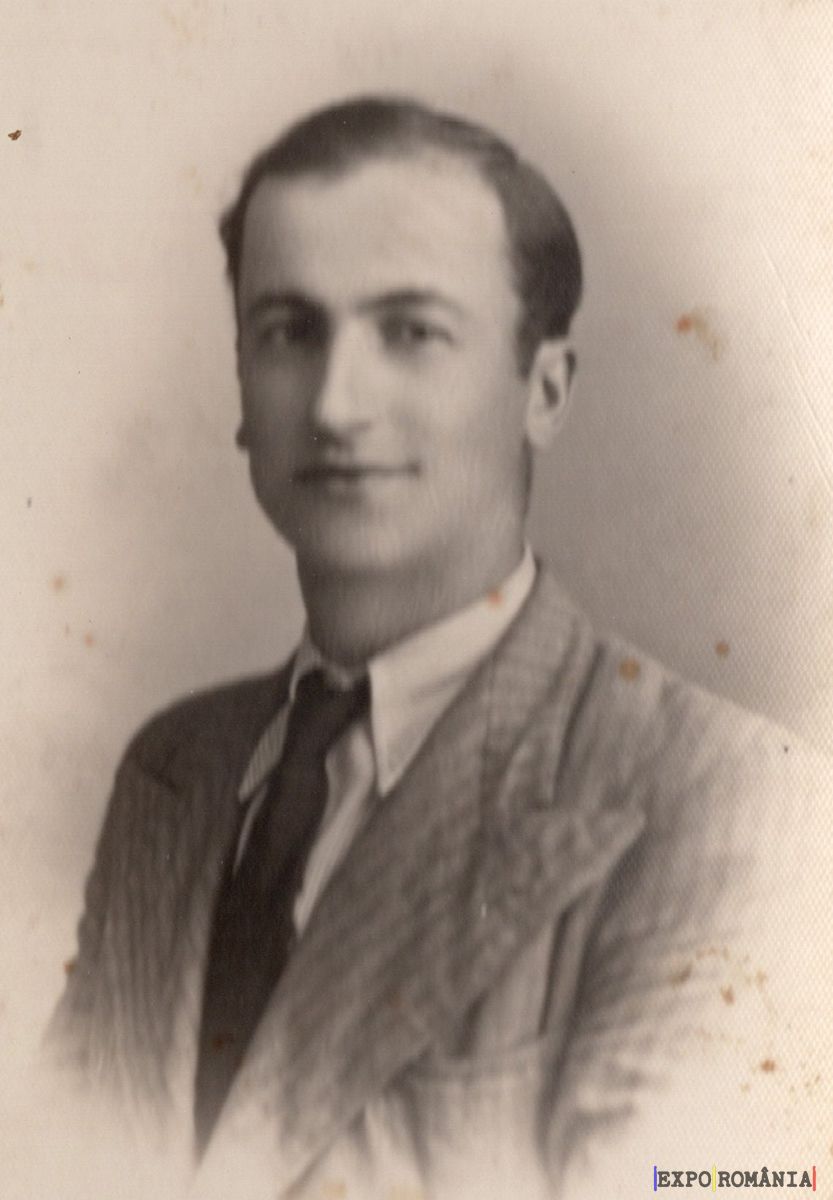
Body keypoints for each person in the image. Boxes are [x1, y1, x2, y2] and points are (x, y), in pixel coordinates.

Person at [47, 96, 832, 1200]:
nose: (336, 405)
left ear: (543, 391)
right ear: (241, 390)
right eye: (288, 331)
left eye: (410, 331)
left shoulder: (729, 799)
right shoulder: (173, 771)